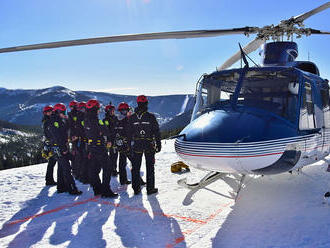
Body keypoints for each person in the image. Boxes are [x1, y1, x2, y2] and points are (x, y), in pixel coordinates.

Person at [84, 99, 118, 198]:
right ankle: (106, 190)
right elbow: (106, 131)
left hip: (91, 147)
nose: (99, 110)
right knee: (107, 167)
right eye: (98, 108)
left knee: (94, 168)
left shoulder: (86, 121)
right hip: (99, 147)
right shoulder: (96, 121)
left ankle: (97, 189)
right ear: (95, 109)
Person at [129, 95, 161, 195]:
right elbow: (156, 132)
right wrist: (158, 144)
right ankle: (150, 189)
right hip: (148, 144)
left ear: (137, 104)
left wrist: (130, 146)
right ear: (146, 103)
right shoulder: (150, 116)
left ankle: (136, 188)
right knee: (150, 167)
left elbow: (129, 133)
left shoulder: (132, 118)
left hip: (137, 144)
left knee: (135, 167)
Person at [49, 103, 82, 195]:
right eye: (63, 112)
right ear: (58, 111)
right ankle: (72, 189)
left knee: (61, 167)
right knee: (67, 167)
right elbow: (57, 137)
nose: (64, 113)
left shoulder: (59, 120)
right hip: (59, 147)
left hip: (59, 146)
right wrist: (63, 148)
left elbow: (64, 132)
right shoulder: (55, 121)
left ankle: (61, 186)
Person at [114, 102, 133, 185]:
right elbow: (128, 133)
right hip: (126, 144)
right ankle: (138, 181)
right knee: (134, 162)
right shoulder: (126, 120)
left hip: (120, 144)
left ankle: (123, 180)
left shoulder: (117, 119)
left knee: (122, 163)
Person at [41, 105, 57, 186]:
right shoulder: (47, 122)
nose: (49, 112)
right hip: (51, 144)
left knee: (52, 162)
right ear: (45, 113)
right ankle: (49, 180)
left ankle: (49, 179)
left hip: (49, 143)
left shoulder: (47, 120)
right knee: (52, 162)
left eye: (50, 111)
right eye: (48, 111)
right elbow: (49, 134)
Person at [103, 104, 119, 176]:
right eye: (111, 111)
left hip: (115, 138)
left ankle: (114, 168)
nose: (113, 112)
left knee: (115, 155)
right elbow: (106, 130)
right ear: (108, 111)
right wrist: (108, 140)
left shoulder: (115, 118)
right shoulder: (106, 120)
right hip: (109, 139)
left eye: (113, 110)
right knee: (110, 155)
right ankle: (110, 169)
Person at [67, 100, 80, 179]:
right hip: (75, 138)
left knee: (75, 154)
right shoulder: (73, 115)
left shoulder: (70, 115)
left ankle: (75, 171)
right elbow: (73, 127)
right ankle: (76, 172)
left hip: (73, 137)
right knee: (76, 154)